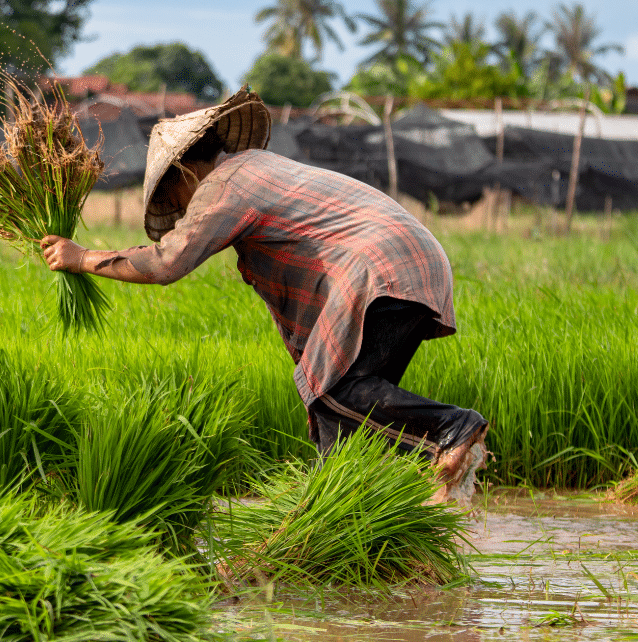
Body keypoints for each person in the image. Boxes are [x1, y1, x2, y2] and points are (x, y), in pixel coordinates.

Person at [41, 89, 489, 505]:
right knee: (343, 425)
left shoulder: (226, 186)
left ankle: (452, 429)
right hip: (411, 261)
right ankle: (349, 520)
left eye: (172, 196)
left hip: (381, 267)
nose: (180, 209)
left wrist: (81, 258)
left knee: (338, 391)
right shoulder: (259, 170)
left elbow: (165, 263)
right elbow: (304, 307)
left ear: (181, 172)